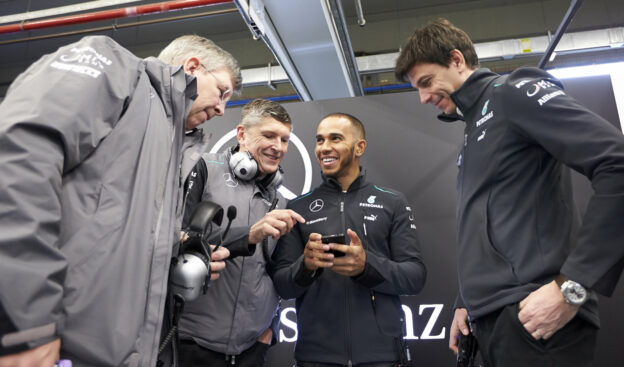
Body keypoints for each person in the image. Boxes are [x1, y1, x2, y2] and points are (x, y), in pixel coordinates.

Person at [0, 34, 241, 367]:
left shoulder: (171, 142)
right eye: (222, 92)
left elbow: (106, 222)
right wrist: (23, 324)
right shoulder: (116, 67)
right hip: (50, 345)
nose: (222, 108)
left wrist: (176, 251)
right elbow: (17, 157)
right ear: (193, 67)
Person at [395, 18, 624, 367]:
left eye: (426, 82)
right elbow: (489, 226)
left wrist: (573, 285)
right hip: (493, 320)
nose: (424, 98)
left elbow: (617, 165)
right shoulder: (474, 128)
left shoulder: (513, 92)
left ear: (457, 60)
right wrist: (465, 301)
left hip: (535, 317)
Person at [271, 113, 427, 367]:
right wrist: (306, 266)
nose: (324, 148)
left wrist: (367, 266)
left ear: (359, 147)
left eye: (335, 139)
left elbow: (414, 277)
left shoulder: (392, 202)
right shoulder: (299, 206)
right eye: (320, 140)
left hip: (382, 357)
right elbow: (283, 286)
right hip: (315, 357)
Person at [177, 98, 305, 367]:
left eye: (284, 140)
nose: (278, 147)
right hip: (192, 343)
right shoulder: (201, 168)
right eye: (269, 136)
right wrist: (248, 235)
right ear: (242, 134)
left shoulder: (279, 200)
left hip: (252, 349)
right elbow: (176, 239)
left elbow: (275, 273)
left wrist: (270, 330)